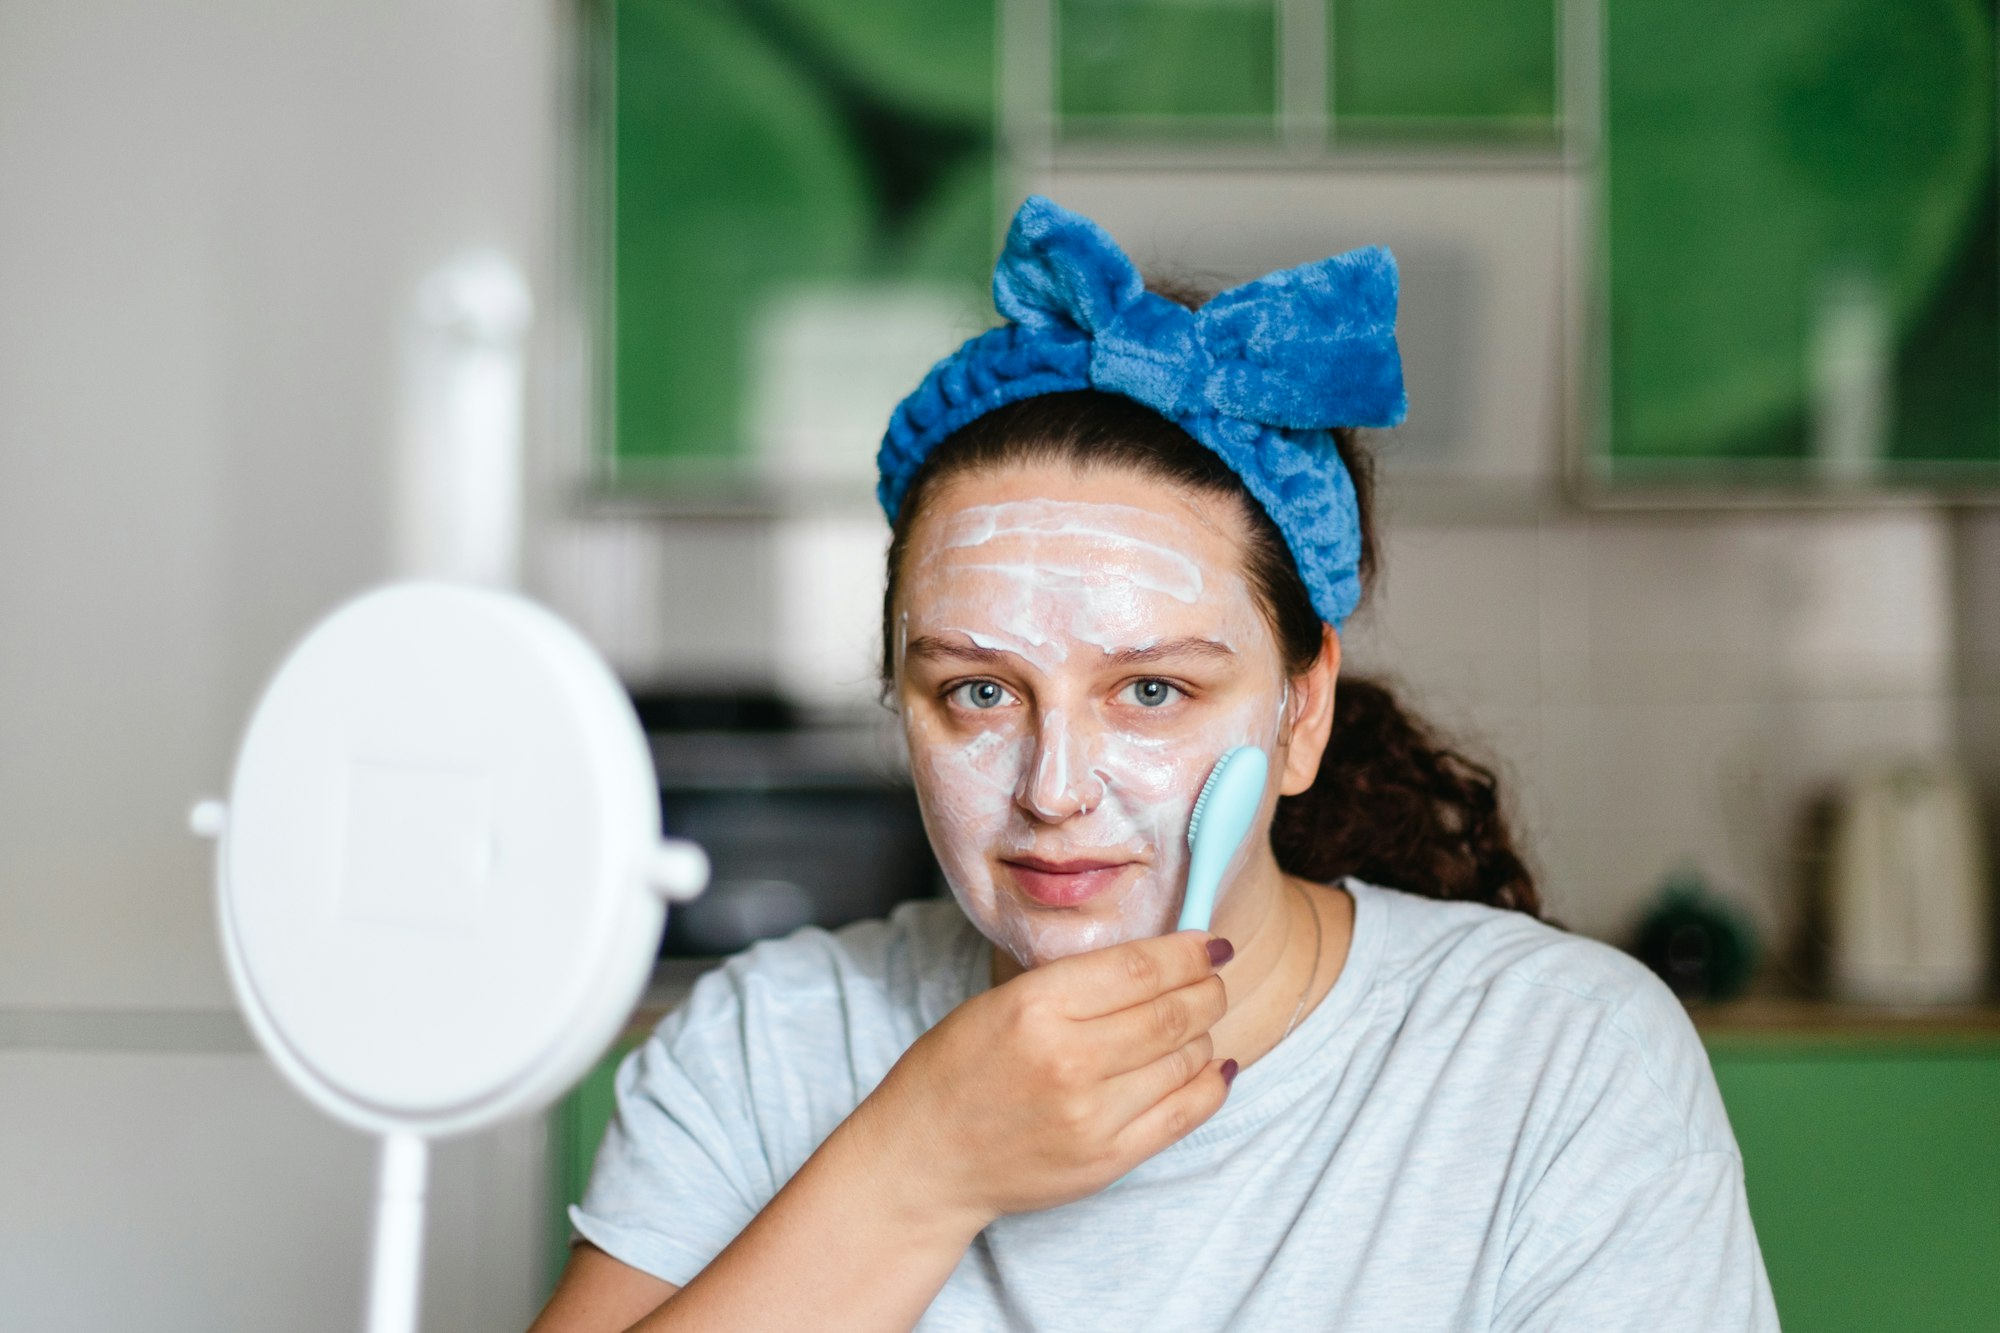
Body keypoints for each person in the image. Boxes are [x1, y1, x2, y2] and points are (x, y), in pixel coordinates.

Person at [530, 197, 1778, 1332]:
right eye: (977, 690)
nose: (1054, 789)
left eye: (1150, 690)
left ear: (1299, 715)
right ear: (895, 701)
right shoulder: (767, 1045)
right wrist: (917, 1167)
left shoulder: (1555, 1058)